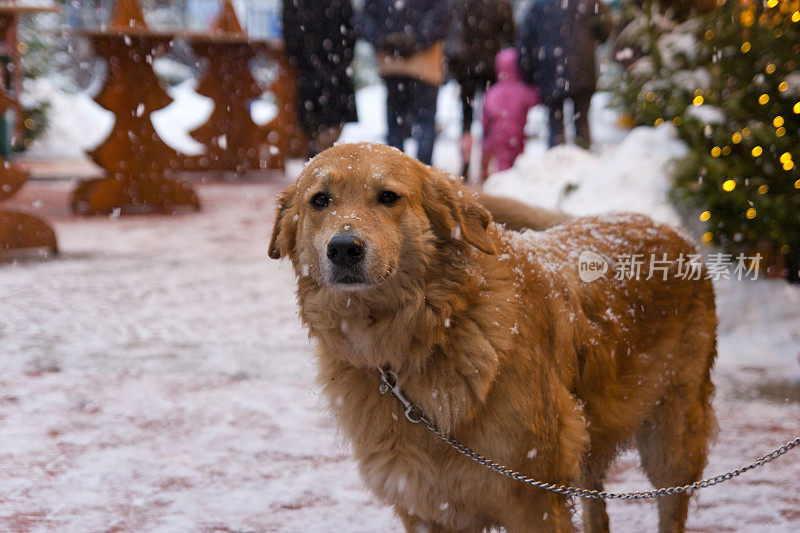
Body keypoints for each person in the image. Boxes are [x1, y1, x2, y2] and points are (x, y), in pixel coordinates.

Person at [357, 0, 451, 166]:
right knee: (424, 123)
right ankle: (422, 176)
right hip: (424, 66)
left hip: (393, 65)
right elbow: (442, 15)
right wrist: (418, 40)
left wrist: (385, 40)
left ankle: (396, 175)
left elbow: (364, 18)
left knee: (396, 123)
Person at [517, 0, 611, 149]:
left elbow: (525, 41)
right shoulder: (589, 2)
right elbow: (605, 28)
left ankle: (557, 160)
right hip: (582, 66)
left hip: (549, 70)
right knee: (582, 123)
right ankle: (584, 159)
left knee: (555, 126)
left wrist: (528, 75)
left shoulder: (537, 5)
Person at [446, 0, 515, 177]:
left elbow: (450, 27)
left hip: (465, 67)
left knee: (466, 118)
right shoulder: (499, 3)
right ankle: (486, 166)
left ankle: (466, 163)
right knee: (490, 118)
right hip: (491, 67)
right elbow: (511, 35)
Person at [282, 0, 359, 157]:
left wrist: (343, 59)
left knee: (332, 124)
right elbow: (291, 34)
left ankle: (319, 156)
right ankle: (317, 157)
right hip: (312, 69)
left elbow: (351, 28)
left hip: (334, 68)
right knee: (314, 126)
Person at [481, 48, 540, 181]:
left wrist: (487, 132)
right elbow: (534, 99)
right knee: (517, 160)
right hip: (517, 132)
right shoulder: (522, 90)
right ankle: (514, 185)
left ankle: (503, 184)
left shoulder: (492, 92)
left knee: (503, 161)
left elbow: (486, 116)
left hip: (498, 133)